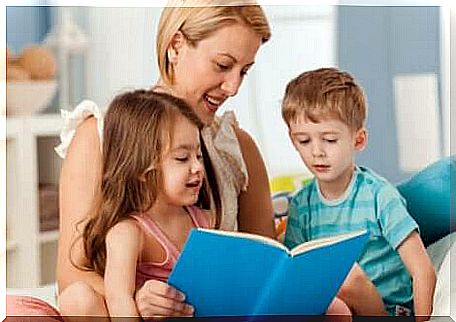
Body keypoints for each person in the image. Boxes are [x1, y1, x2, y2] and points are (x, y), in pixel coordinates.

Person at [56, 0, 276, 318]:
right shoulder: (100, 136)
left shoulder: (236, 148)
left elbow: (266, 265)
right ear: (176, 45)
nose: (233, 87)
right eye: (223, 65)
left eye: (244, 71)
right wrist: (135, 296)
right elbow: (72, 276)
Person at [281, 67, 436, 320]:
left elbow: (422, 271)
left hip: (388, 311)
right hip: (337, 309)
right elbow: (295, 270)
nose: (317, 152)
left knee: (345, 274)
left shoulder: (379, 195)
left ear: (358, 140)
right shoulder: (302, 204)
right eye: (304, 141)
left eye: (329, 140)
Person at [60, 90, 213, 319]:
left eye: (198, 156)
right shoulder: (128, 232)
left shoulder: (204, 220)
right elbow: (119, 299)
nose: (198, 168)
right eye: (182, 158)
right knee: (76, 299)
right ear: (141, 168)